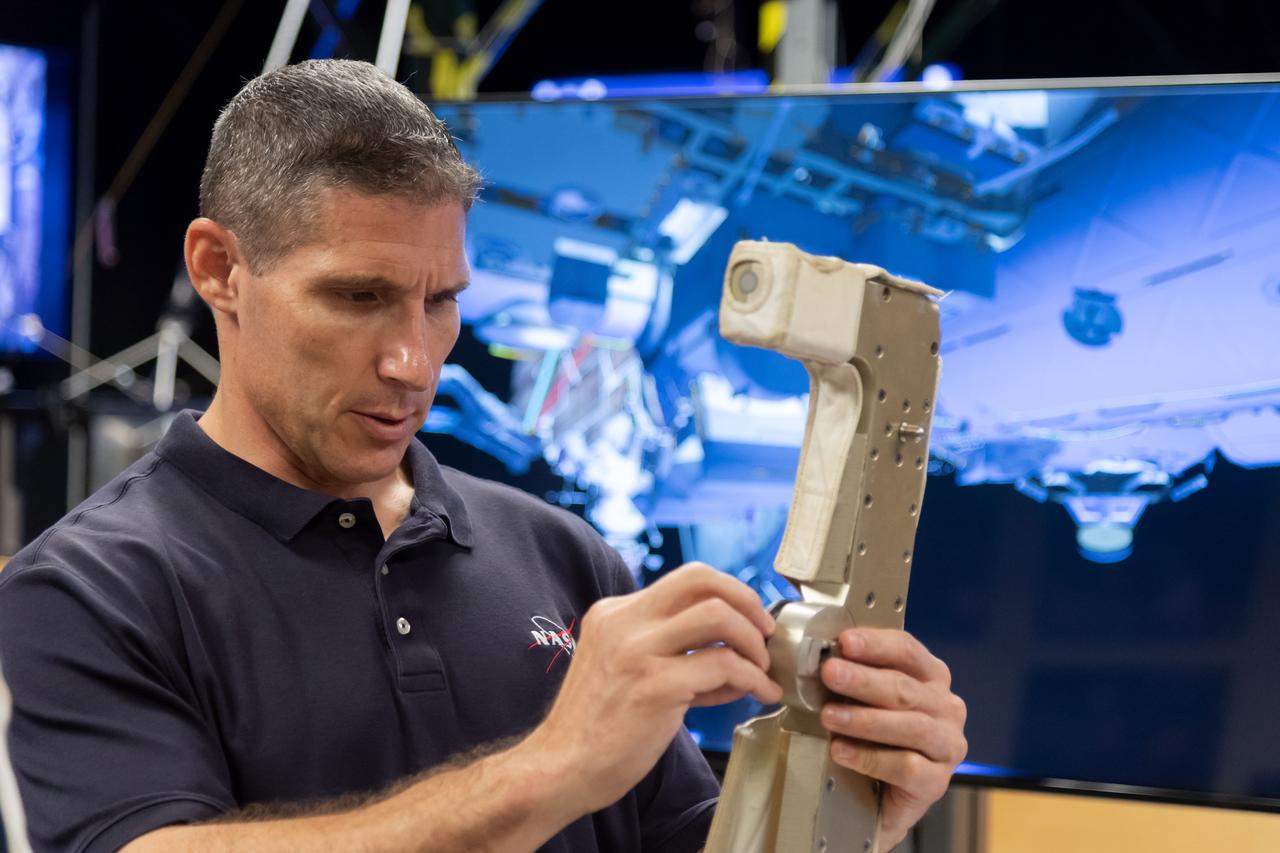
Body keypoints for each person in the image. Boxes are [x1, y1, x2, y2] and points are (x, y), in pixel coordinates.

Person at [0, 60, 967, 852]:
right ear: (219, 269)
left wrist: (849, 809)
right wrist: (551, 769)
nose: (411, 360)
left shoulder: (563, 555)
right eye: (358, 296)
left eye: (440, 300)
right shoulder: (87, 589)